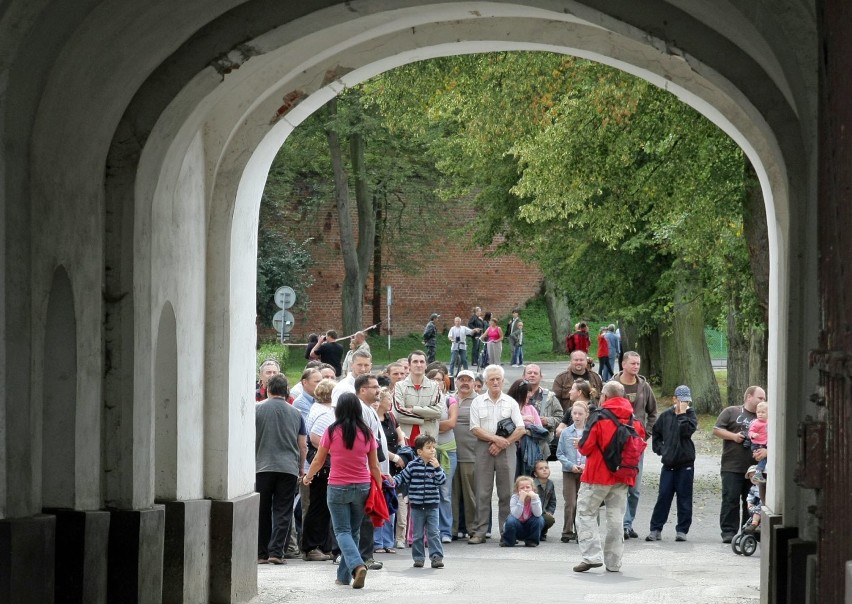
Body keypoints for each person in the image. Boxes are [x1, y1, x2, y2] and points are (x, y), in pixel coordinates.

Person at [302, 393, 382, 589]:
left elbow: (319, 460)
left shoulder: (331, 431)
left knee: (342, 531)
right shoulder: (367, 432)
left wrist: (308, 476)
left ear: (338, 410)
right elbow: (374, 466)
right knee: (352, 532)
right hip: (362, 486)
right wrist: (379, 487)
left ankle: (357, 565)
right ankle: (344, 577)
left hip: (337, 486)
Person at [573, 381, 646, 573]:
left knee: (585, 513)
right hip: (623, 476)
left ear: (605, 396)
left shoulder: (598, 417)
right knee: (616, 519)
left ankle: (591, 556)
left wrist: (579, 444)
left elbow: (586, 446)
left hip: (596, 475)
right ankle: (614, 562)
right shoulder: (634, 421)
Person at [467, 365, 525, 544]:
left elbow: (521, 428)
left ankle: (507, 532)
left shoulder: (511, 402)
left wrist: (502, 444)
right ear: (485, 382)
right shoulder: (477, 402)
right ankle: (480, 532)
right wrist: (495, 440)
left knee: (507, 492)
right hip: (483, 447)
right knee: (482, 492)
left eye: (498, 379)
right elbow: (475, 428)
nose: (495, 382)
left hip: (506, 449)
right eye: (491, 379)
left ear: (502, 380)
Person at [255, 374, 307, 565]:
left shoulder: (256, 409)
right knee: (283, 510)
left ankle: (260, 553)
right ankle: (276, 552)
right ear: (286, 391)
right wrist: (301, 468)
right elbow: (303, 445)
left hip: (261, 467)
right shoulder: (296, 413)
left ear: (268, 389)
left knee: (262, 510)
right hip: (287, 468)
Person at [612, 351, 657, 539]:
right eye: (632, 363)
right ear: (623, 364)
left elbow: (653, 413)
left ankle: (628, 524)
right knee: (619, 485)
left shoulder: (644, 387)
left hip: (636, 444)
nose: (636, 367)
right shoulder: (612, 385)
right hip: (615, 443)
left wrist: (645, 434)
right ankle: (621, 524)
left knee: (635, 488)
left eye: (638, 364)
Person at [713, 385, 766, 543]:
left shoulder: (765, 417)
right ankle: (728, 532)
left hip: (755, 468)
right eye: (760, 398)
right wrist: (734, 437)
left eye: (764, 398)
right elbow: (716, 430)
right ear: (749, 397)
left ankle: (747, 530)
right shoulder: (732, 411)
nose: (763, 401)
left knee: (751, 501)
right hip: (732, 466)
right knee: (730, 499)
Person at [645, 385, 697, 542]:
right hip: (669, 464)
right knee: (664, 496)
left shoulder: (690, 415)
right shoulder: (666, 415)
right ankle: (655, 529)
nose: (684, 404)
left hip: (685, 463)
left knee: (684, 498)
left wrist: (682, 415)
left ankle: (682, 530)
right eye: (682, 401)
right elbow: (657, 433)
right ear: (674, 399)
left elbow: (687, 431)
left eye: (687, 401)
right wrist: (661, 449)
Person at [393, 434, 447, 569]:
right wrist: (393, 480)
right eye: (429, 448)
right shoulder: (412, 466)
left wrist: (437, 468)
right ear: (419, 451)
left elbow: (442, 481)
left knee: (433, 533)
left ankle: (436, 557)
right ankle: (418, 558)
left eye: (434, 447)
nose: (433, 450)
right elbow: (402, 477)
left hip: (432, 506)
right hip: (417, 507)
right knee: (417, 534)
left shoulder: (436, 466)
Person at [300, 378, 336, 561]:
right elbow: (315, 438)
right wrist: (335, 450)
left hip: (322, 466)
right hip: (323, 467)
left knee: (322, 507)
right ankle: (312, 546)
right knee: (319, 507)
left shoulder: (319, 409)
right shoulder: (325, 413)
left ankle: (323, 544)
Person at [374, 387, 406, 554]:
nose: (391, 403)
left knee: (390, 502)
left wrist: (403, 451)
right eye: (389, 400)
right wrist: (395, 457)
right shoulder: (373, 418)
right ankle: (377, 542)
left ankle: (388, 541)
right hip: (380, 463)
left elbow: (400, 437)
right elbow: (376, 446)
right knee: (379, 503)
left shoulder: (391, 417)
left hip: (392, 467)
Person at [429, 368, 458, 543]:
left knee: (444, 492)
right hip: (427, 451)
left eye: (439, 379)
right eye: (432, 379)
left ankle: (445, 530)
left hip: (448, 450)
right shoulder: (423, 399)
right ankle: (431, 531)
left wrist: (430, 422)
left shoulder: (450, 400)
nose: (436, 382)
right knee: (428, 491)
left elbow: (451, 423)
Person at [393, 350, 444, 443]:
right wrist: (425, 418)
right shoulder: (399, 386)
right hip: (405, 441)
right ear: (409, 366)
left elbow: (438, 412)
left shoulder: (435, 386)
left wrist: (413, 409)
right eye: (415, 361)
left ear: (426, 365)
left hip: (428, 442)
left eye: (422, 362)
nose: (419, 365)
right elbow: (398, 415)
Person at [451, 369, 478, 540]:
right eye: (462, 379)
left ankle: (473, 529)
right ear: (456, 382)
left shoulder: (479, 401)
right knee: (451, 494)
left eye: (469, 380)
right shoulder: (450, 399)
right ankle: (451, 529)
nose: (465, 383)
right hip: (451, 453)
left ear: (474, 383)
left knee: (470, 495)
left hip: (471, 454)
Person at [557, 401, 588, 543]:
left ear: (586, 415)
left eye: (580, 414)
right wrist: (570, 465)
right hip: (569, 471)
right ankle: (567, 530)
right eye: (574, 413)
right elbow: (560, 453)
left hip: (585, 471)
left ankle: (580, 530)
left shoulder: (590, 432)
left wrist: (585, 465)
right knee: (570, 502)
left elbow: (594, 452)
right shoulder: (566, 432)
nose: (577, 416)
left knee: (583, 502)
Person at [523, 364, 564, 460]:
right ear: (523, 376)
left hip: (541, 442)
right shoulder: (516, 395)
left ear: (541, 377)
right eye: (529, 373)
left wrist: (547, 421)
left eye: (535, 373)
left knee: (541, 472)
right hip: (521, 441)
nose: (532, 375)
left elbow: (560, 417)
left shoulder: (550, 397)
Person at [500, 475, 544, 547]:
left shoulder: (535, 497)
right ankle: (509, 541)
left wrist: (534, 499)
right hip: (517, 527)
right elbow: (515, 515)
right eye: (522, 488)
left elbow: (538, 514)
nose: (525, 489)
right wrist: (521, 500)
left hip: (529, 527)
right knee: (510, 520)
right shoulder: (514, 498)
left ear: (532, 488)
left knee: (539, 519)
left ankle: (531, 541)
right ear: (517, 490)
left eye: (528, 487)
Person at [531, 459, 556, 540]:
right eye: (541, 468)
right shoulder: (532, 484)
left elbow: (553, 501)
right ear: (535, 473)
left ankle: (542, 532)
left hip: (543, 512)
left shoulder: (550, 484)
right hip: (532, 514)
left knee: (549, 519)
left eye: (546, 467)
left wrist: (550, 512)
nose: (544, 470)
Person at [749, 401, 769, 483]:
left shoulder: (769, 422)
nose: (760, 414)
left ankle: (759, 473)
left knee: (766, 458)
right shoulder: (756, 423)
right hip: (757, 444)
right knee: (764, 458)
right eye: (758, 412)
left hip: (765, 444)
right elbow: (750, 431)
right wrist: (753, 435)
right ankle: (758, 473)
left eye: (763, 412)